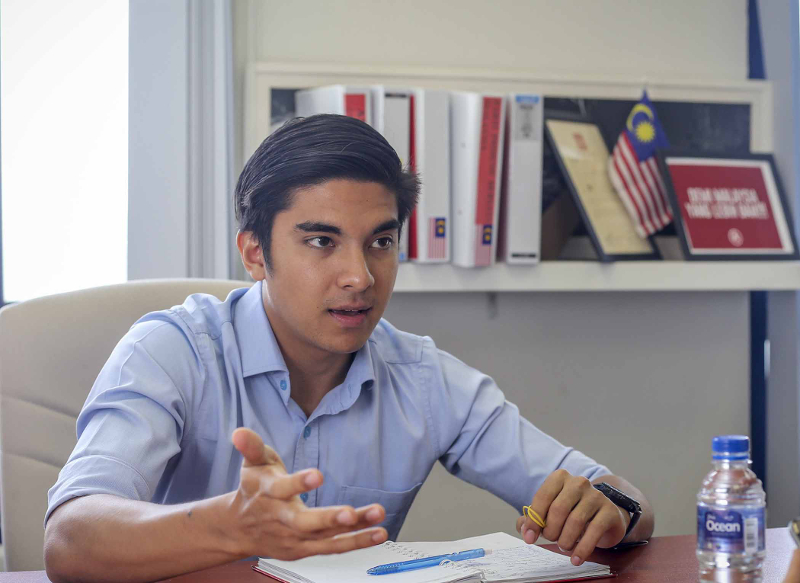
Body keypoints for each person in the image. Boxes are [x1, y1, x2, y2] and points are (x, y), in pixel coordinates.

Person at [43, 114, 654, 582]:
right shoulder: (171, 350)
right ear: (255, 251)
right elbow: (70, 538)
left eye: (380, 241)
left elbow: (627, 502)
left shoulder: (423, 377)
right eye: (321, 242)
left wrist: (609, 509)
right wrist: (230, 527)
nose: (360, 276)